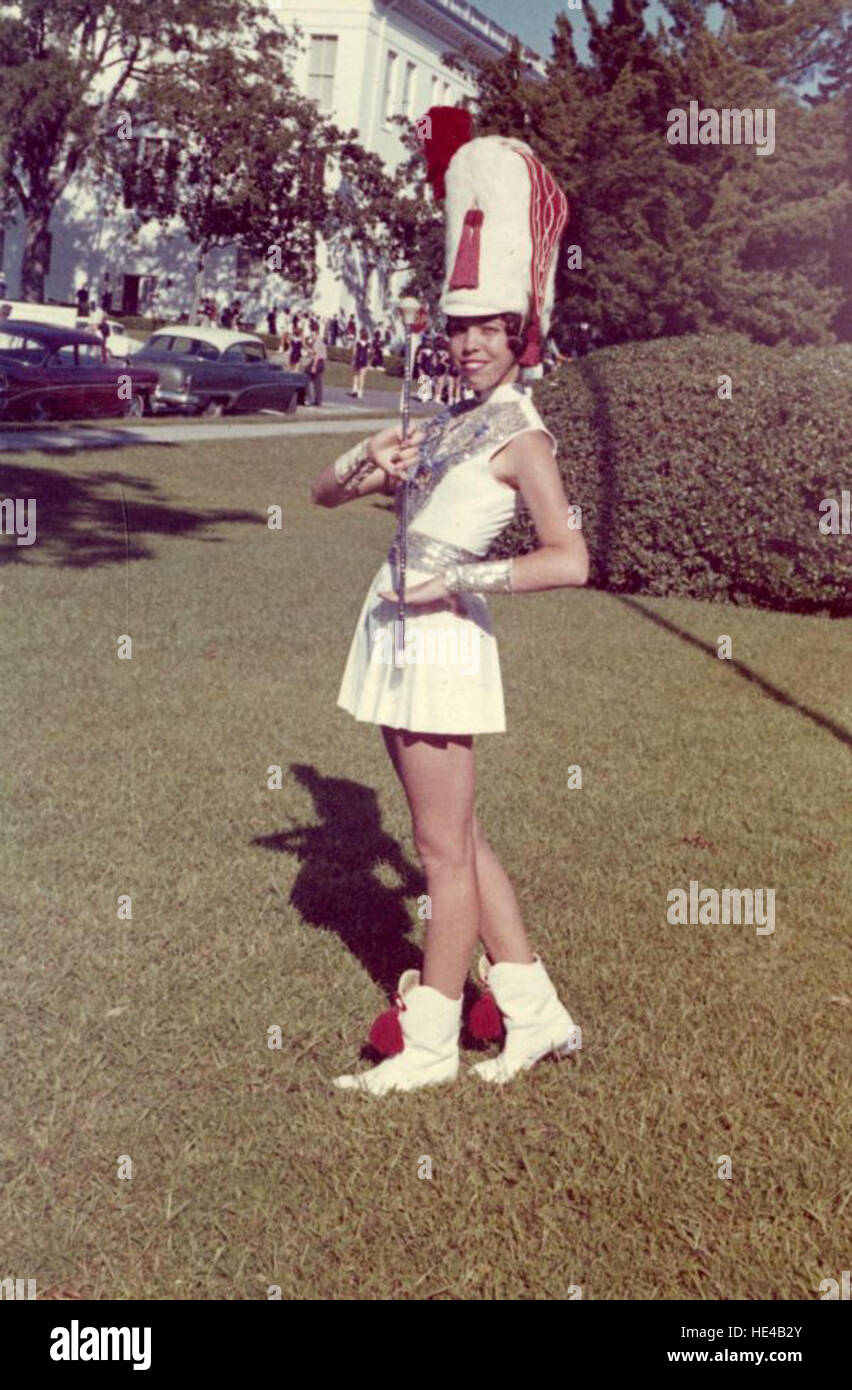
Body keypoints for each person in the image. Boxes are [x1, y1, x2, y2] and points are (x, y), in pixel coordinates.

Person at [311, 113, 587, 1096]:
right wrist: (359, 465)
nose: (471, 344)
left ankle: (428, 1040)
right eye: (460, 326)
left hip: (442, 640)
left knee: (440, 851)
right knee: (457, 840)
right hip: (391, 627)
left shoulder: (522, 435)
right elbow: (323, 493)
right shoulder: (440, 420)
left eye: (490, 329)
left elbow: (571, 560)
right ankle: (535, 1011)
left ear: (522, 333)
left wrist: (459, 580)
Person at [348, 327, 369, 397]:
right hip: (364, 361)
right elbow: (369, 353)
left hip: (357, 360)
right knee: (362, 377)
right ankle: (360, 392)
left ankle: (354, 389)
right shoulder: (368, 344)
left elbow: (354, 352)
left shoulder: (357, 343)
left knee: (355, 375)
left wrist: (352, 360)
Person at [308, 330, 327, 406]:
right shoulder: (322, 343)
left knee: (306, 377)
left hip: (317, 362)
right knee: (318, 382)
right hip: (322, 363)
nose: (312, 337)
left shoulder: (316, 343)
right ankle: (318, 400)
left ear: (317, 335)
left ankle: (307, 397)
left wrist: (314, 366)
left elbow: (317, 355)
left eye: (313, 335)